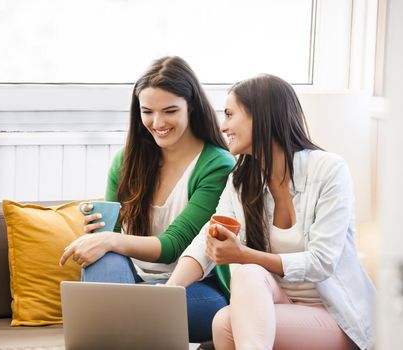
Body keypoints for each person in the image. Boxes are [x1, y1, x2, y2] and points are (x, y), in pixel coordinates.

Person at [167, 74, 376, 350]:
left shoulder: (329, 171)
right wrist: (169, 292)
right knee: (244, 278)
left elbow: (322, 262)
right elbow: (208, 237)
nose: (223, 125)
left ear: (261, 116)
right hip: (279, 302)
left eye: (230, 114)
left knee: (226, 320)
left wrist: (243, 255)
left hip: (335, 314)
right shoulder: (242, 180)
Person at [59, 56, 235, 342]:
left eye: (170, 111)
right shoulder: (128, 160)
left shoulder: (217, 165)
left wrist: (110, 240)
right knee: (104, 265)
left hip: (194, 286)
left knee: (114, 310)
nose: (157, 122)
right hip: (131, 276)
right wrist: (100, 234)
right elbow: (111, 239)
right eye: (147, 111)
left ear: (192, 107)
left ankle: (107, 321)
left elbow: (172, 246)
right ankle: (112, 319)